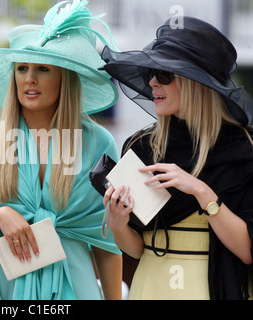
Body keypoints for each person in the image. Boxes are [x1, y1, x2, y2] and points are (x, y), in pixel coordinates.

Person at [0, 0, 122, 300]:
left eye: (43, 68)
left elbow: (107, 244)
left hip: (76, 289)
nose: (29, 78)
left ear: (65, 77)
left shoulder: (99, 143)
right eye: (22, 68)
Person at [101, 16, 253, 300]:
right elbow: (137, 249)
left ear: (195, 83)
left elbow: (247, 251)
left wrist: (200, 190)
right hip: (151, 285)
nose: (153, 83)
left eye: (164, 75)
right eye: (151, 73)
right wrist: (119, 224)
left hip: (216, 289)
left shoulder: (245, 150)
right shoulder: (142, 147)